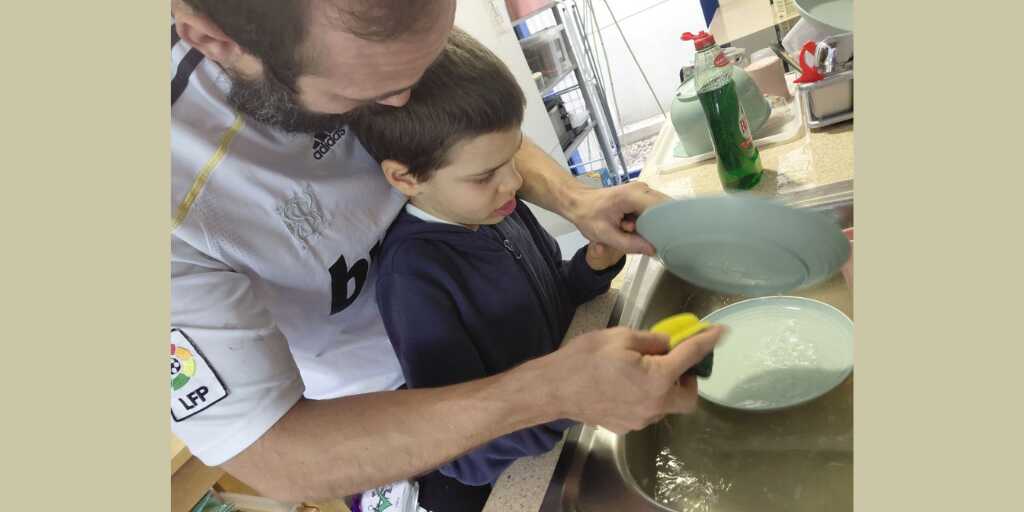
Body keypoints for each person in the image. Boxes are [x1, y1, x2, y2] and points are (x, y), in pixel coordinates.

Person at [170, 0, 723, 504]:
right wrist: (550, 393)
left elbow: (459, 128)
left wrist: (576, 201)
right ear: (215, 41)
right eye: (364, 95)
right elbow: (274, 454)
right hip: (388, 434)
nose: (403, 104)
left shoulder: (484, 209)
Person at [345, 30, 626, 510]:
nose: (513, 182)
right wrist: (563, 403)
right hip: (508, 474)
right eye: (485, 175)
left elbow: (553, 299)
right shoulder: (414, 278)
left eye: (512, 157)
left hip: (561, 422)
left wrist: (592, 267)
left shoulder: (497, 210)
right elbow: (463, 451)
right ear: (405, 178)